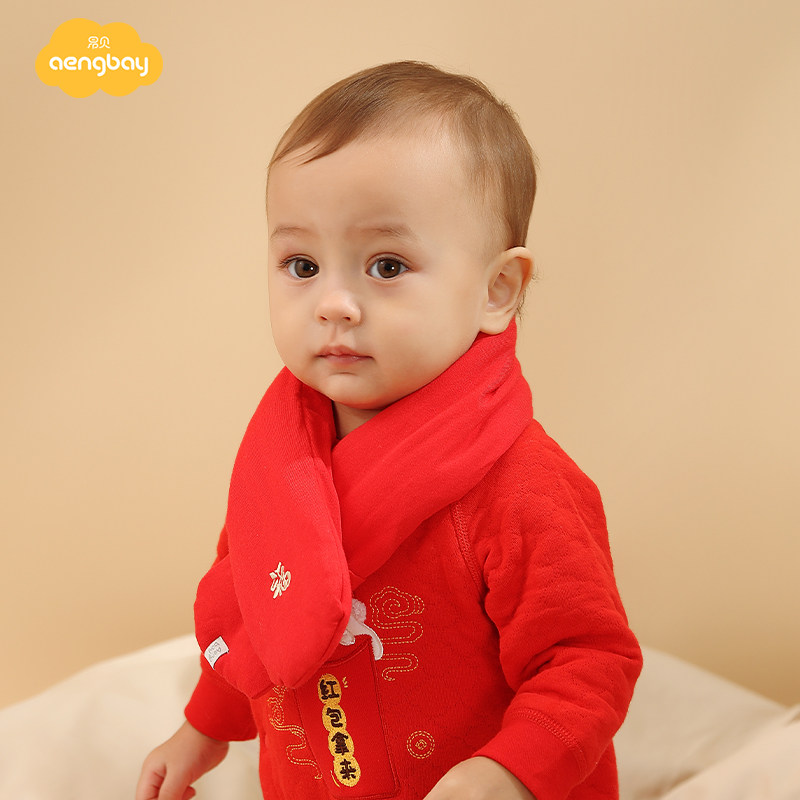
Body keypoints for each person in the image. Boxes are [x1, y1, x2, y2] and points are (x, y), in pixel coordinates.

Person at [136, 60, 642, 800]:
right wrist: (203, 728)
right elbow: (259, 610)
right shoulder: (282, 459)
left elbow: (591, 660)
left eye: (386, 264)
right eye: (301, 264)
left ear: (497, 290)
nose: (334, 302)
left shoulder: (523, 486)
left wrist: (506, 772)